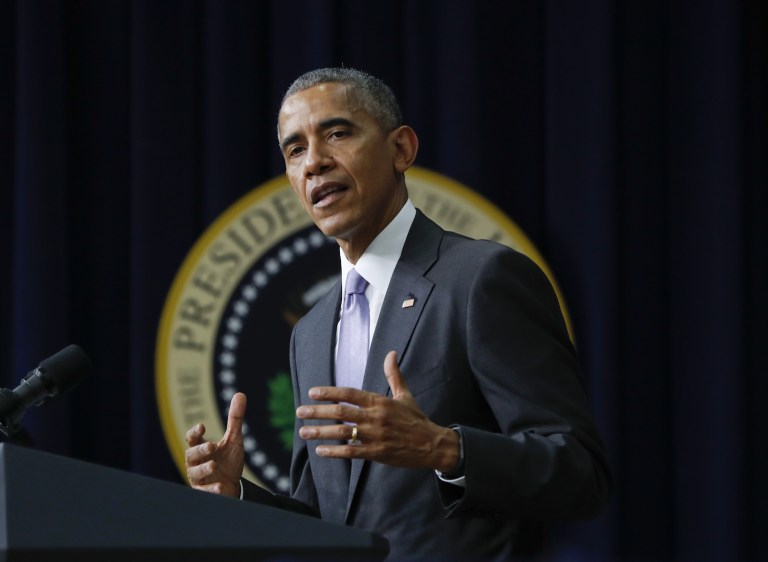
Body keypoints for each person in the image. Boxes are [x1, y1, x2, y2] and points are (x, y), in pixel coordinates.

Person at [184, 67, 611, 561]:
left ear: (401, 149)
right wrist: (237, 496)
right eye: (295, 149)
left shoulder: (481, 278)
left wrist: (445, 449)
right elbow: (330, 520)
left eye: (337, 133)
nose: (315, 162)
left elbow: (581, 473)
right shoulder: (311, 332)